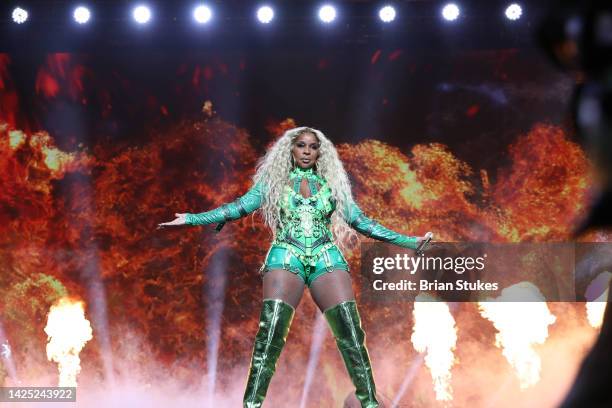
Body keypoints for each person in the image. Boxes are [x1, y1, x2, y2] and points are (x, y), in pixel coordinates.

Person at [158, 127, 431, 408]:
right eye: (301, 146)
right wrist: (192, 218)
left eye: (313, 147)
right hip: (286, 255)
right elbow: (238, 207)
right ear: (291, 148)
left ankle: (370, 404)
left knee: (351, 332)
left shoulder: (332, 185)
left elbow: (362, 222)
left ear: (319, 152)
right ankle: (251, 405)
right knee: (271, 332)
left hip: (326, 255)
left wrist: (410, 242)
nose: (307, 152)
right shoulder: (273, 182)